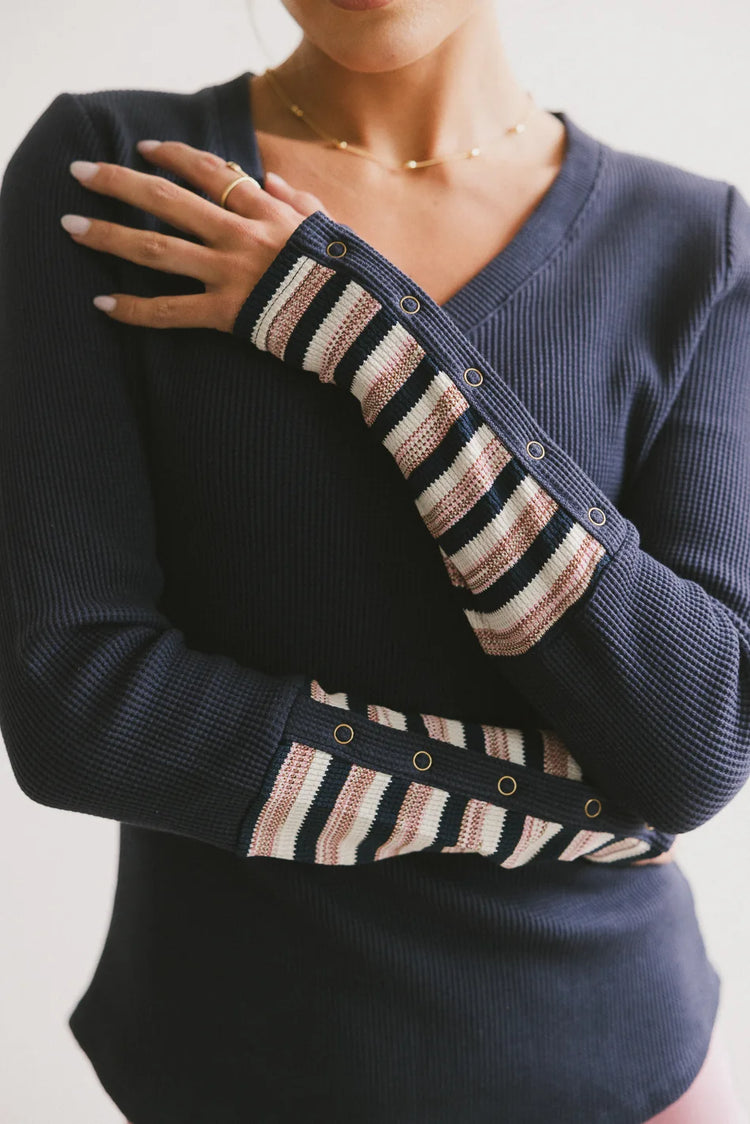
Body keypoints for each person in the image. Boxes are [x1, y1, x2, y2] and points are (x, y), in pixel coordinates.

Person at [1, 1, 749, 1121]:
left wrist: (361, 330)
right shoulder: (120, 178)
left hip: (625, 1068)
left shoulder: (698, 243)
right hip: (241, 1067)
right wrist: (551, 806)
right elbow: (77, 703)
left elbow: (694, 734)